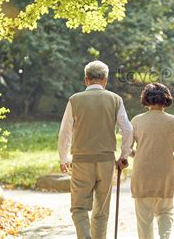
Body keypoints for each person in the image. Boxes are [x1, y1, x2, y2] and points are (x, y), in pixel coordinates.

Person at [58, 60, 132, 239]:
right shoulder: (115, 99)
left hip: (81, 161)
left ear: (86, 80)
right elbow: (128, 129)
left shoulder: (75, 100)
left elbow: (65, 131)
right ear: (105, 80)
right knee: (101, 210)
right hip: (106, 161)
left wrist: (63, 158)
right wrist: (123, 155)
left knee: (79, 208)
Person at [131, 82, 174, 239]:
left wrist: (139, 153)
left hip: (142, 173)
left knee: (144, 218)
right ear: (166, 99)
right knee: (165, 212)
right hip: (165, 173)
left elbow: (127, 149)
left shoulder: (136, 121)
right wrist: (169, 152)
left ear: (146, 99)